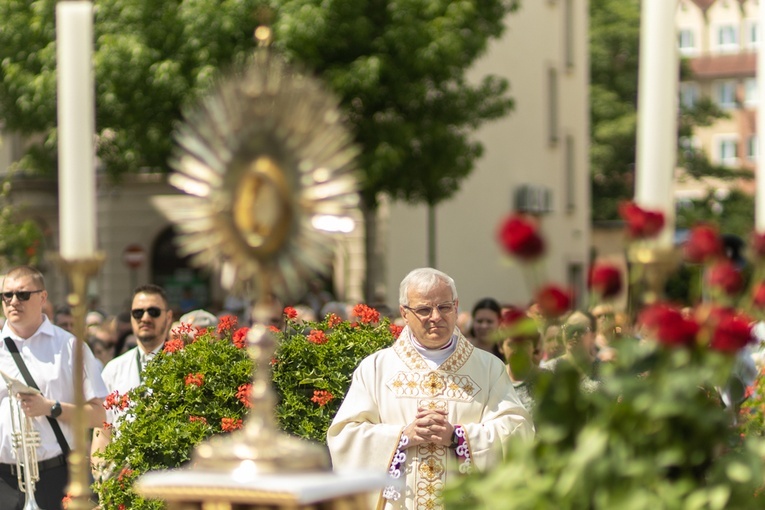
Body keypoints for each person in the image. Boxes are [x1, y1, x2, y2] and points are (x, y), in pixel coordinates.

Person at [327, 268, 533, 510]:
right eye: (424, 309)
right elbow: (345, 437)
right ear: (404, 312)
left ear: (456, 307)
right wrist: (402, 436)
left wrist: (458, 437)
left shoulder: (489, 368)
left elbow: (518, 432)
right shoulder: (376, 369)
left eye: (444, 307)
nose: (436, 316)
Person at [0, 266, 107, 509]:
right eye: (7, 295)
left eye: (23, 294)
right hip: (3, 481)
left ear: (43, 297)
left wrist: (51, 407)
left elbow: (101, 415)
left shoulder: (70, 347)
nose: (13, 301)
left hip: (56, 476)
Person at [91, 284, 174, 471]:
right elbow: (102, 431)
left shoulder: (183, 363)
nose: (145, 318)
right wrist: (101, 478)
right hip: (126, 481)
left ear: (168, 317)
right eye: (138, 313)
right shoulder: (113, 369)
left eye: (153, 312)